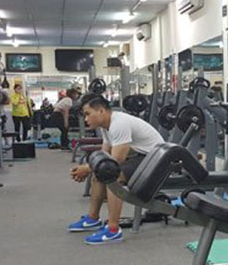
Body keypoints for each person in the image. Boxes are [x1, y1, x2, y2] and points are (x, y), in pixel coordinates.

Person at [68, 94, 164, 245]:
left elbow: (116, 160)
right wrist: (90, 168)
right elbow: (105, 155)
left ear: (101, 111)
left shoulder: (119, 123)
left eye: (88, 114)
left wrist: (87, 169)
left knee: (112, 175)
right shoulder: (107, 126)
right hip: (143, 157)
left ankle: (113, 230)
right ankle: (93, 218)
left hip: (156, 160)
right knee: (101, 172)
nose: (86, 119)